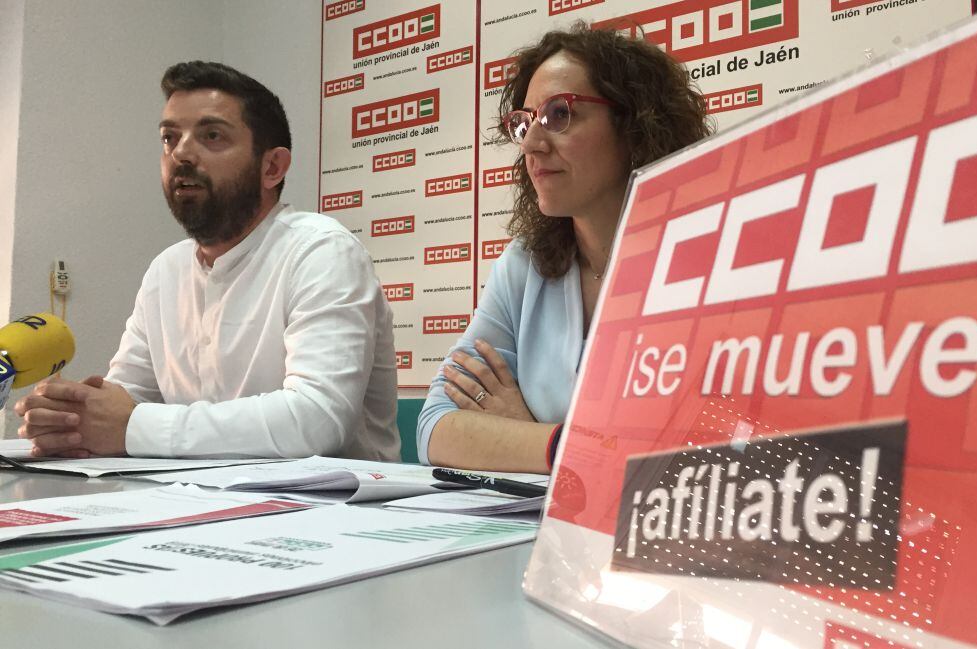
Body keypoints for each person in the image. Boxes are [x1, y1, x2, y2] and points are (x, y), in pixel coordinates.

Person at [15, 61, 400, 460]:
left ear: (272, 167)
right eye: (169, 138)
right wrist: (74, 422)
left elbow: (317, 420)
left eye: (211, 135)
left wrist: (133, 427)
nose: (181, 153)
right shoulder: (166, 271)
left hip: (334, 511)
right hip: (190, 502)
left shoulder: (320, 251)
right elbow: (124, 399)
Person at [417, 25, 710, 473]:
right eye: (525, 122)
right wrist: (557, 444)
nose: (532, 144)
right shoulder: (525, 263)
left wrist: (522, 427)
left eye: (559, 115)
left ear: (635, 124)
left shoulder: (707, 255)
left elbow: (693, 451)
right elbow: (435, 427)